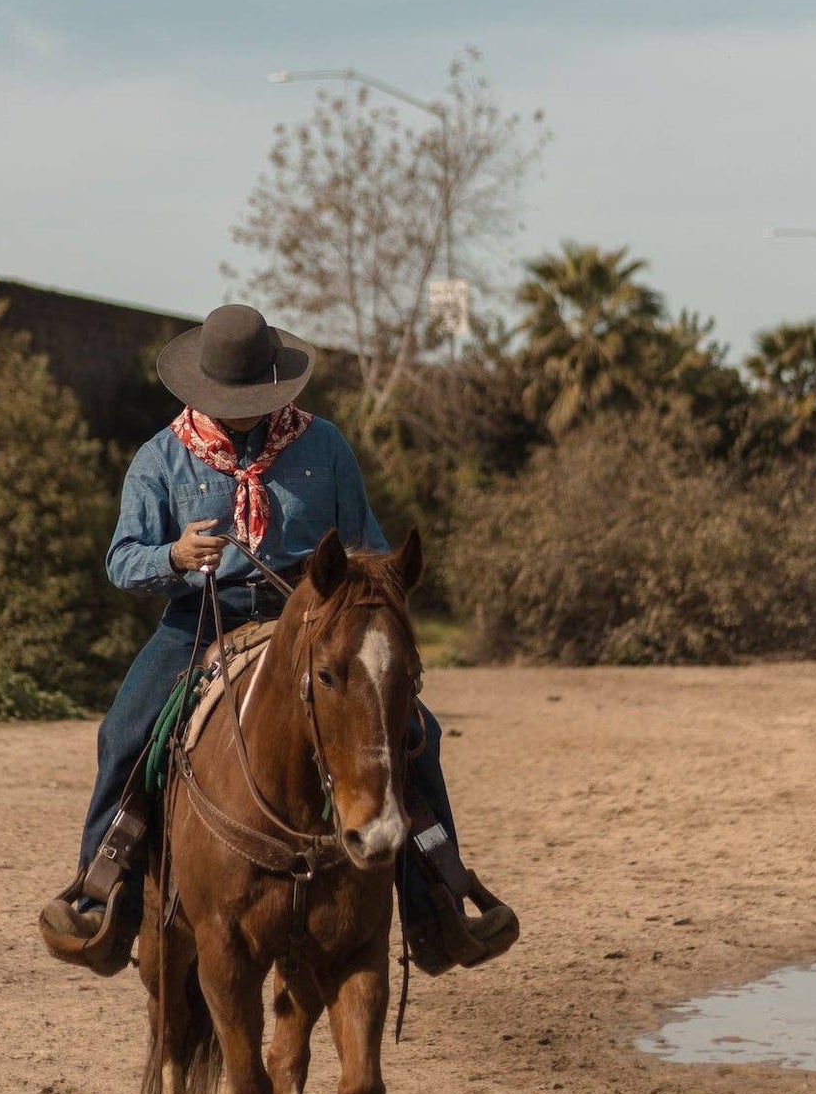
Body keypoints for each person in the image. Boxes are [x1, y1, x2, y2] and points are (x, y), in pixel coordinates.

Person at [38, 304, 518, 978]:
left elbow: (371, 549)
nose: (242, 413)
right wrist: (174, 555)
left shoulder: (324, 448)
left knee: (418, 731)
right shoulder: (161, 457)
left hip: (312, 618)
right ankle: (101, 896)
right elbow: (122, 560)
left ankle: (438, 901)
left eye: (253, 399)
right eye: (229, 401)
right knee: (124, 731)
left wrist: (357, 591)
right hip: (198, 617)